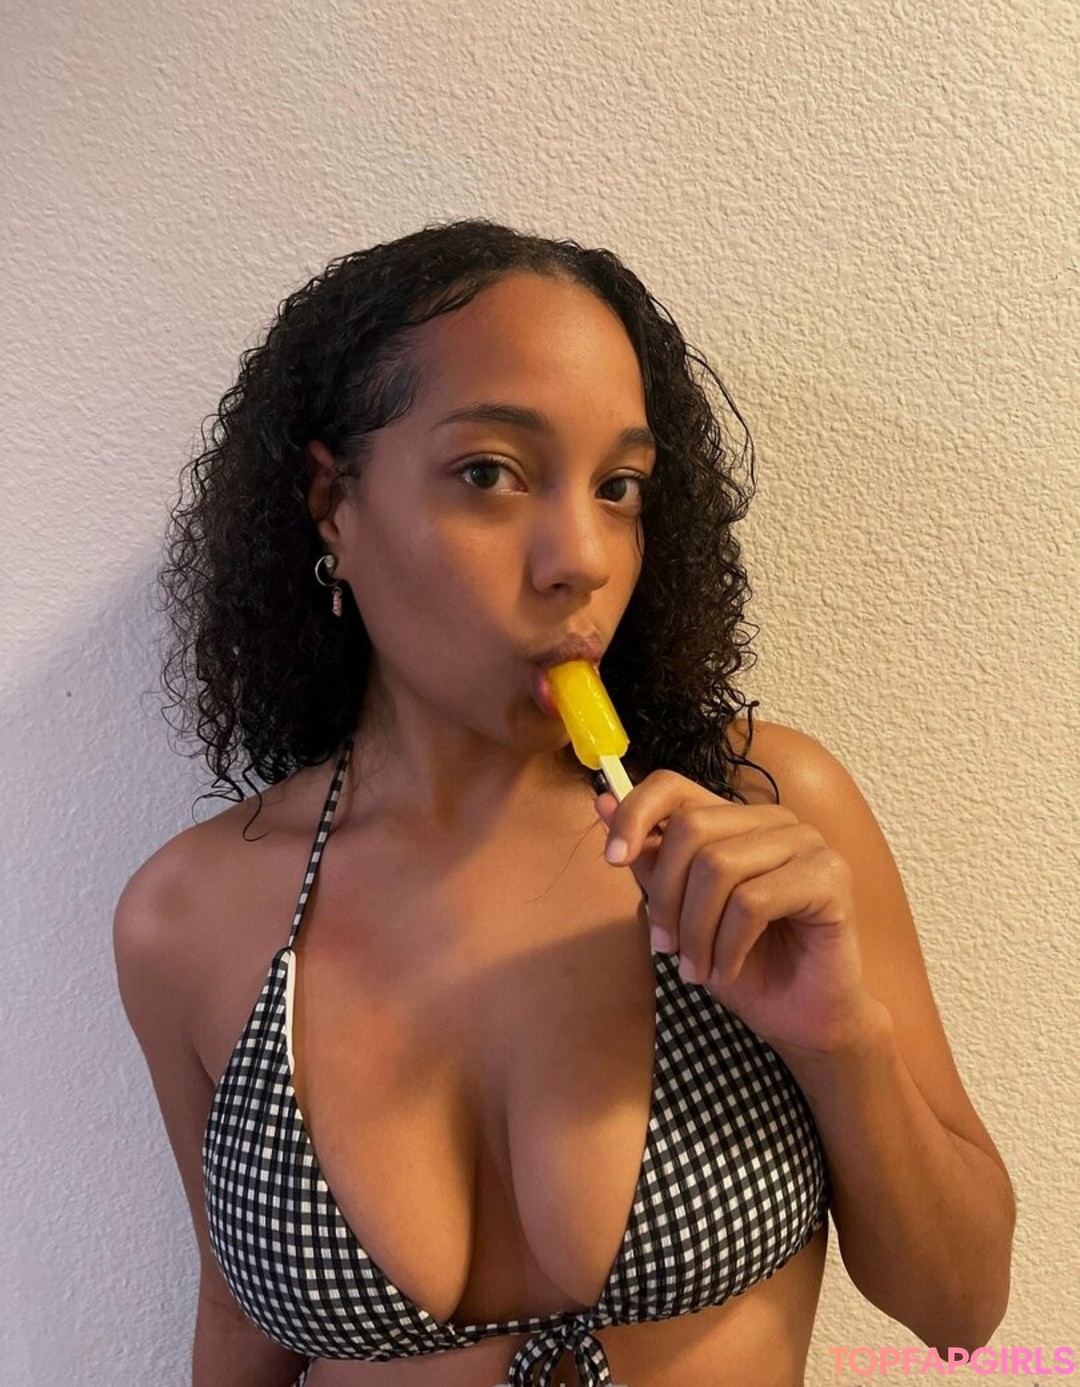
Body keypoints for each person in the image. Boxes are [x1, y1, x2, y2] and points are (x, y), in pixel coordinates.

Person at [113, 218, 1015, 1387]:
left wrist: (840, 1036)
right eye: (491, 473)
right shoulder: (186, 917)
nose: (581, 557)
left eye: (620, 487)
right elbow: (239, 1326)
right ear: (334, 500)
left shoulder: (764, 821)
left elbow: (961, 1308)